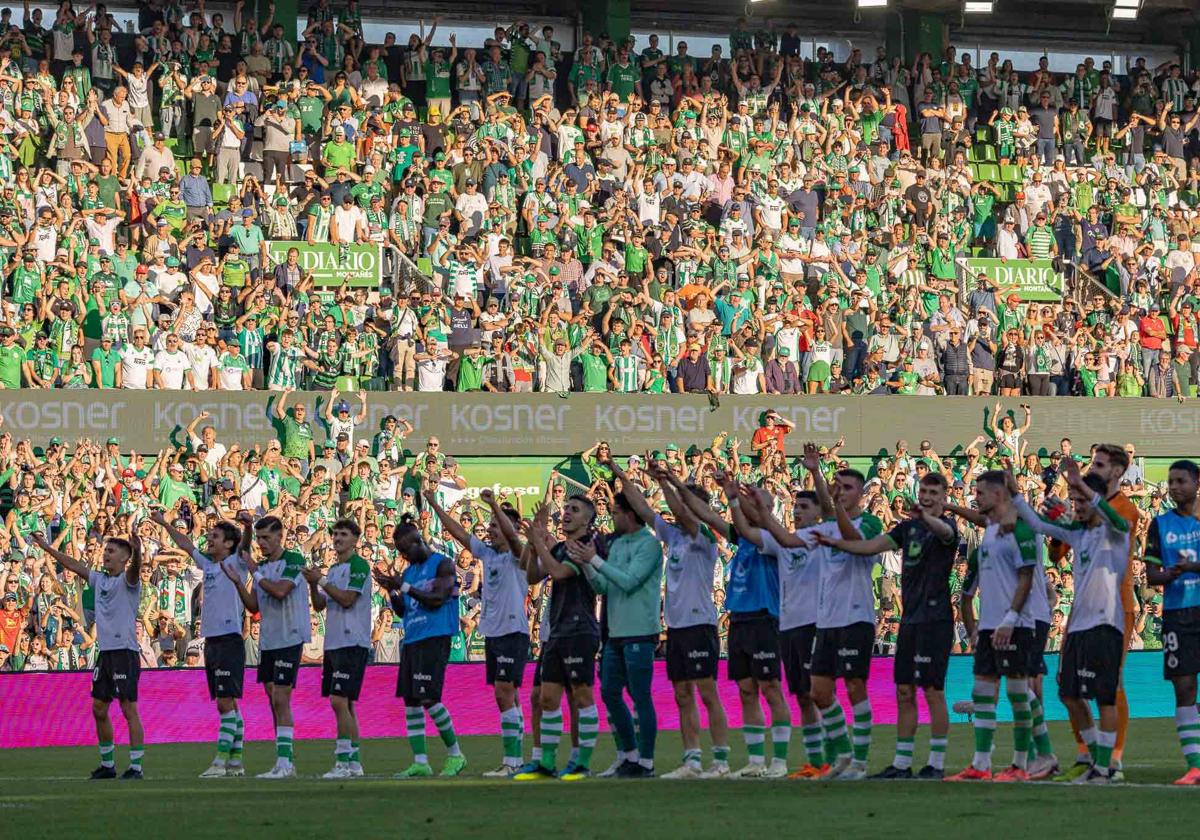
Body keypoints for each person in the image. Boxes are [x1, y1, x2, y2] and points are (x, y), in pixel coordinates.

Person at [819, 470, 957, 780]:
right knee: (904, 691)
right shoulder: (907, 528)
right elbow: (870, 547)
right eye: (924, 492)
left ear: (944, 499)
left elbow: (946, 535)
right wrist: (834, 542)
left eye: (934, 494)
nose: (927, 497)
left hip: (935, 620)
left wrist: (927, 517)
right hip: (909, 619)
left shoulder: (947, 526)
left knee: (933, 691)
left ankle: (935, 763)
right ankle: (903, 763)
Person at [1010, 457, 1129, 784]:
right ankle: (1095, 759)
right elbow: (1037, 525)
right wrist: (1015, 494)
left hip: (1106, 624)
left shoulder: (1115, 533)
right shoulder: (1078, 536)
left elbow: (1118, 522)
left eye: (1079, 500)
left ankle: (1107, 769)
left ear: (1096, 501)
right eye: (1073, 500)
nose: (1074, 505)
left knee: (1104, 696)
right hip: (1077, 627)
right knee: (1069, 694)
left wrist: (1080, 485)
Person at [675, 468, 790, 778]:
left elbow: (734, 519)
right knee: (746, 690)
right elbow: (709, 516)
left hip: (764, 619)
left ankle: (779, 761)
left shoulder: (771, 538)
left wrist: (736, 499)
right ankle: (755, 761)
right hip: (740, 619)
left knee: (770, 688)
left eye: (758, 500)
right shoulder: (742, 538)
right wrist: (675, 484)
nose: (751, 502)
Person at [945, 471, 1051, 782]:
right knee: (983, 690)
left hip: (1019, 622)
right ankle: (981, 763)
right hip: (990, 626)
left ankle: (1029, 760)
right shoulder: (988, 535)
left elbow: (1027, 577)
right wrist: (978, 627)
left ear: (999, 495)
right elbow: (969, 594)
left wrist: (1009, 619)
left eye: (981, 493)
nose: (975, 497)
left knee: (1021, 690)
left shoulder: (1020, 529)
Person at [424, 488, 529, 777]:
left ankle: (511, 762)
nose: (490, 531)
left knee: (504, 693)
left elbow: (511, 536)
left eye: (496, 526)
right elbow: (456, 531)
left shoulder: (518, 553)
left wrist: (495, 505)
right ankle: (516, 761)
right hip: (495, 633)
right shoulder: (487, 553)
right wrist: (433, 503)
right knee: (510, 696)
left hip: (512, 631)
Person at [34, 527, 146, 780]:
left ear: (124, 558)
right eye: (105, 549)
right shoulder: (100, 579)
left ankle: (136, 768)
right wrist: (47, 549)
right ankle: (108, 765)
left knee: (129, 709)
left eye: (112, 550)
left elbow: (136, 568)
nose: (106, 553)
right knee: (98, 708)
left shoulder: (128, 580)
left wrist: (138, 551)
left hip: (125, 653)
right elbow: (74, 565)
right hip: (105, 653)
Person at [582, 459, 666, 778]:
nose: (611, 517)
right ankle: (628, 755)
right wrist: (588, 565)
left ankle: (645, 761)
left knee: (640, 695)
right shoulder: (617, 543)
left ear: (629, 515)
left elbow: (629, 581)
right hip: (615, 632)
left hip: (640, 631)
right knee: (609, 693)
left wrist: (594, 561)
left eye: (616, 513)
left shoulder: (649, 545)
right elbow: (605, 586)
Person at [646, 466, 731, 779]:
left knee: (707, 693)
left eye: (685, 503)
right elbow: (645, 511)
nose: (678, 509)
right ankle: (692, 761)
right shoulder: (675, 536)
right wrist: (651, 479)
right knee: (682, 694)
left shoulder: (704, 534)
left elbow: (681, 510)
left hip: (700, 626)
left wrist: (670, 480)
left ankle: (720, 761)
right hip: (677, 628)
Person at [739, 484, 829, 779]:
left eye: (804, 507)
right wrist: (732, 499)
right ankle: (815, 763)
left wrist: (754, 505)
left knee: (818, 694)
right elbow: (748, 531)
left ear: (818, 513)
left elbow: (770, 528)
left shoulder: (821, 537)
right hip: (788, 626)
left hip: (814, 624)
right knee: (803, 695)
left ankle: (832, 759)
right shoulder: (782, 540)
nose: (798, 512)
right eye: (796, 507)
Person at [152, 510, 250, 778]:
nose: (210, 538)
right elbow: (185, 544)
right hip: (212, 641)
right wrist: (163, 523)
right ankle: (236, 763)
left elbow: (247, 543)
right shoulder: (208, 563)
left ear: (229, 544)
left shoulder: (237, 563)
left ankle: (220, 762)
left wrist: (248, 526)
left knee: (225, 702)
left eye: (215, 536)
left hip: (229, 640)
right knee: (227, 703)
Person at [806, 453, 883, 780]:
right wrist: (816, 473)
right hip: (826, 620)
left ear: (861, 493)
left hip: (856, 618)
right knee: (820, 693)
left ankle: (861, 764)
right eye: (839, 486)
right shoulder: (826, 523)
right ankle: (844, 755)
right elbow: (824, 511)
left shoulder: (871, 523)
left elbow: (853, 540)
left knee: (854, 688)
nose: (842, 491)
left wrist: (834, 506)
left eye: (848, 487)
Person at [515, 495, 603, 781]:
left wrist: (539, 539)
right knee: (548, 697)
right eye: (565, 508)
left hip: (580, 630)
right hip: (558, 631)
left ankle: (581, 762)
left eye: (574, 510)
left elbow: (559, 572)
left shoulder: (585, 545)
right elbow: (532, 577)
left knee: (582, 695)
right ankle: (547, 763)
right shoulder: (563, 547)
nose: (566, 513)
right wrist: (533, 542)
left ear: (587, 520)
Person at [376, 509, 467, 778]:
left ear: (418, 541)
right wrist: (391, 589)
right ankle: (420, 761)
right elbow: (404, 610)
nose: (405, 555)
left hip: (435, 636)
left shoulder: (443, 563)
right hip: (413, 637)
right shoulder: (410, 572)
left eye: (406, 548)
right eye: (401, 551)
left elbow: (437, 598)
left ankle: (455, 754)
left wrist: (402, 586)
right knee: (412, 699)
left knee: (428, 696)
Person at [221, 515, 311, 779]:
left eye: (266, 538)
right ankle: (285, 761)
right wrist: (238, 581)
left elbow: (280, 591)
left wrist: (252, 569)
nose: (260, 543)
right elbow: (254, 607)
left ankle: (285, 763)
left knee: (281, 698)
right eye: (258, 538)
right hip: (269, 640)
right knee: (274, 700)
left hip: (289, 636)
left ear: (279, 537)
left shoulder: (293, 560)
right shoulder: (259, 567)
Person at [1143, 459, 1200, 785]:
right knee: (1184, 686)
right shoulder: (1159, 524)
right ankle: (1194, 765)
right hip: (1178, 613)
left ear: (1196, 482)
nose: (1174, 486)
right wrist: (1172, 573)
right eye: (1170, 481)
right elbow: (1152, 575)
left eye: (1181, 481)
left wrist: (1191, 569)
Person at [302, 518, 372, 779]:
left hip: (352, 640)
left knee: (338, 700)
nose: (338, 538)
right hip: (334, 642)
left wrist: (319, 580)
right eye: (335, 534)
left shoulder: (358, 565)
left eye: (343, 534)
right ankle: (354, 763)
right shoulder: (333, 569)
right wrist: (312, 582)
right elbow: (321, 605)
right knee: (347, 704)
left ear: (355, 539)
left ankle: (342, 761)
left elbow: (347, 599)